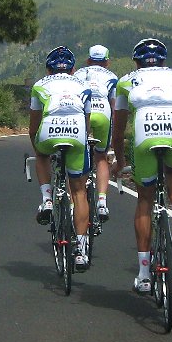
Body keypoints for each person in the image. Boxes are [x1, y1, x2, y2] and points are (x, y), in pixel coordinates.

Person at [111, 38, 172, 293]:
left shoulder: (126, 80)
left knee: (145, 200)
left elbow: (119, 129)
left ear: (136, 61)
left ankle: (145, 274)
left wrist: (120, 161)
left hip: (145, 131)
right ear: (164, 61)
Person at [29, 46, 93, 272]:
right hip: (76, 133)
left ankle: (47, 198)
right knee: (79, 192)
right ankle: (81, 252)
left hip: (49, 130)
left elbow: (34, 125)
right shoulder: (83, 86)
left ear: (48, 70)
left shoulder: (40, 85)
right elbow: (87, 123)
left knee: (41, 154)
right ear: (73, 69)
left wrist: (37, 145)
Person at [73, 44, 118, 221]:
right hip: (102, 113)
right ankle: (101, 201)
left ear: (88, 60)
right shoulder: (112, 76)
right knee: (101, 157)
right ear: (107, 62)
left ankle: (73, 204)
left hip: (82, 113)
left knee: (74, 158)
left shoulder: (77, 75)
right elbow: (114, 108)